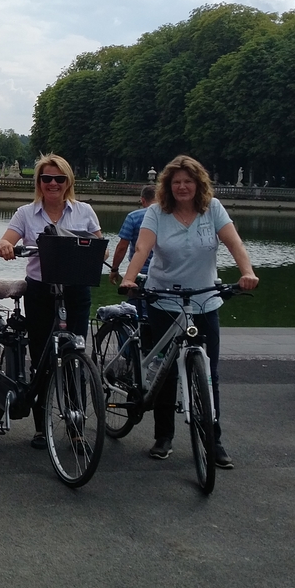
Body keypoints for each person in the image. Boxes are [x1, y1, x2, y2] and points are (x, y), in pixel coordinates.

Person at [120, 154, 258, 469]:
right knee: (167, 372)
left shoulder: (214, 210)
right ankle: (164, 436)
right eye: (176, 182)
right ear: (168, 186)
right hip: (164, 299)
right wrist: (130, 277)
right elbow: (143, 248)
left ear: (199, 184)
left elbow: (235, 244)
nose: (182, 187)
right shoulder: (156, 212)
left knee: (210, 374)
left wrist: (247, 272)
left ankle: (214, 439)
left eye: (188, 181)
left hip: (204, 300)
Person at [0, 153, 102, 449]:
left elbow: (99, 244)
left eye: (59, 178)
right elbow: (8, 239)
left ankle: (75, 424)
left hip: (75, 289)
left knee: (75, 356)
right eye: (46, 178)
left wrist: (98, 251)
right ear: (39, 183)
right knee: (42, 356)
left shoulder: (84, 212)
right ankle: (42, 426)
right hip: (41, 290)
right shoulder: (26, 213)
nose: (53, 183)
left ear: (68, 182)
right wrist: (5, 245)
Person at [109, 184, 157, 284]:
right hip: (164, 270)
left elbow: (122, 247)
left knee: (135, 298)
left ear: (143, 200)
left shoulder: (133, 217)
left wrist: (114, 269)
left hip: (139, 269)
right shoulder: (170, 217)